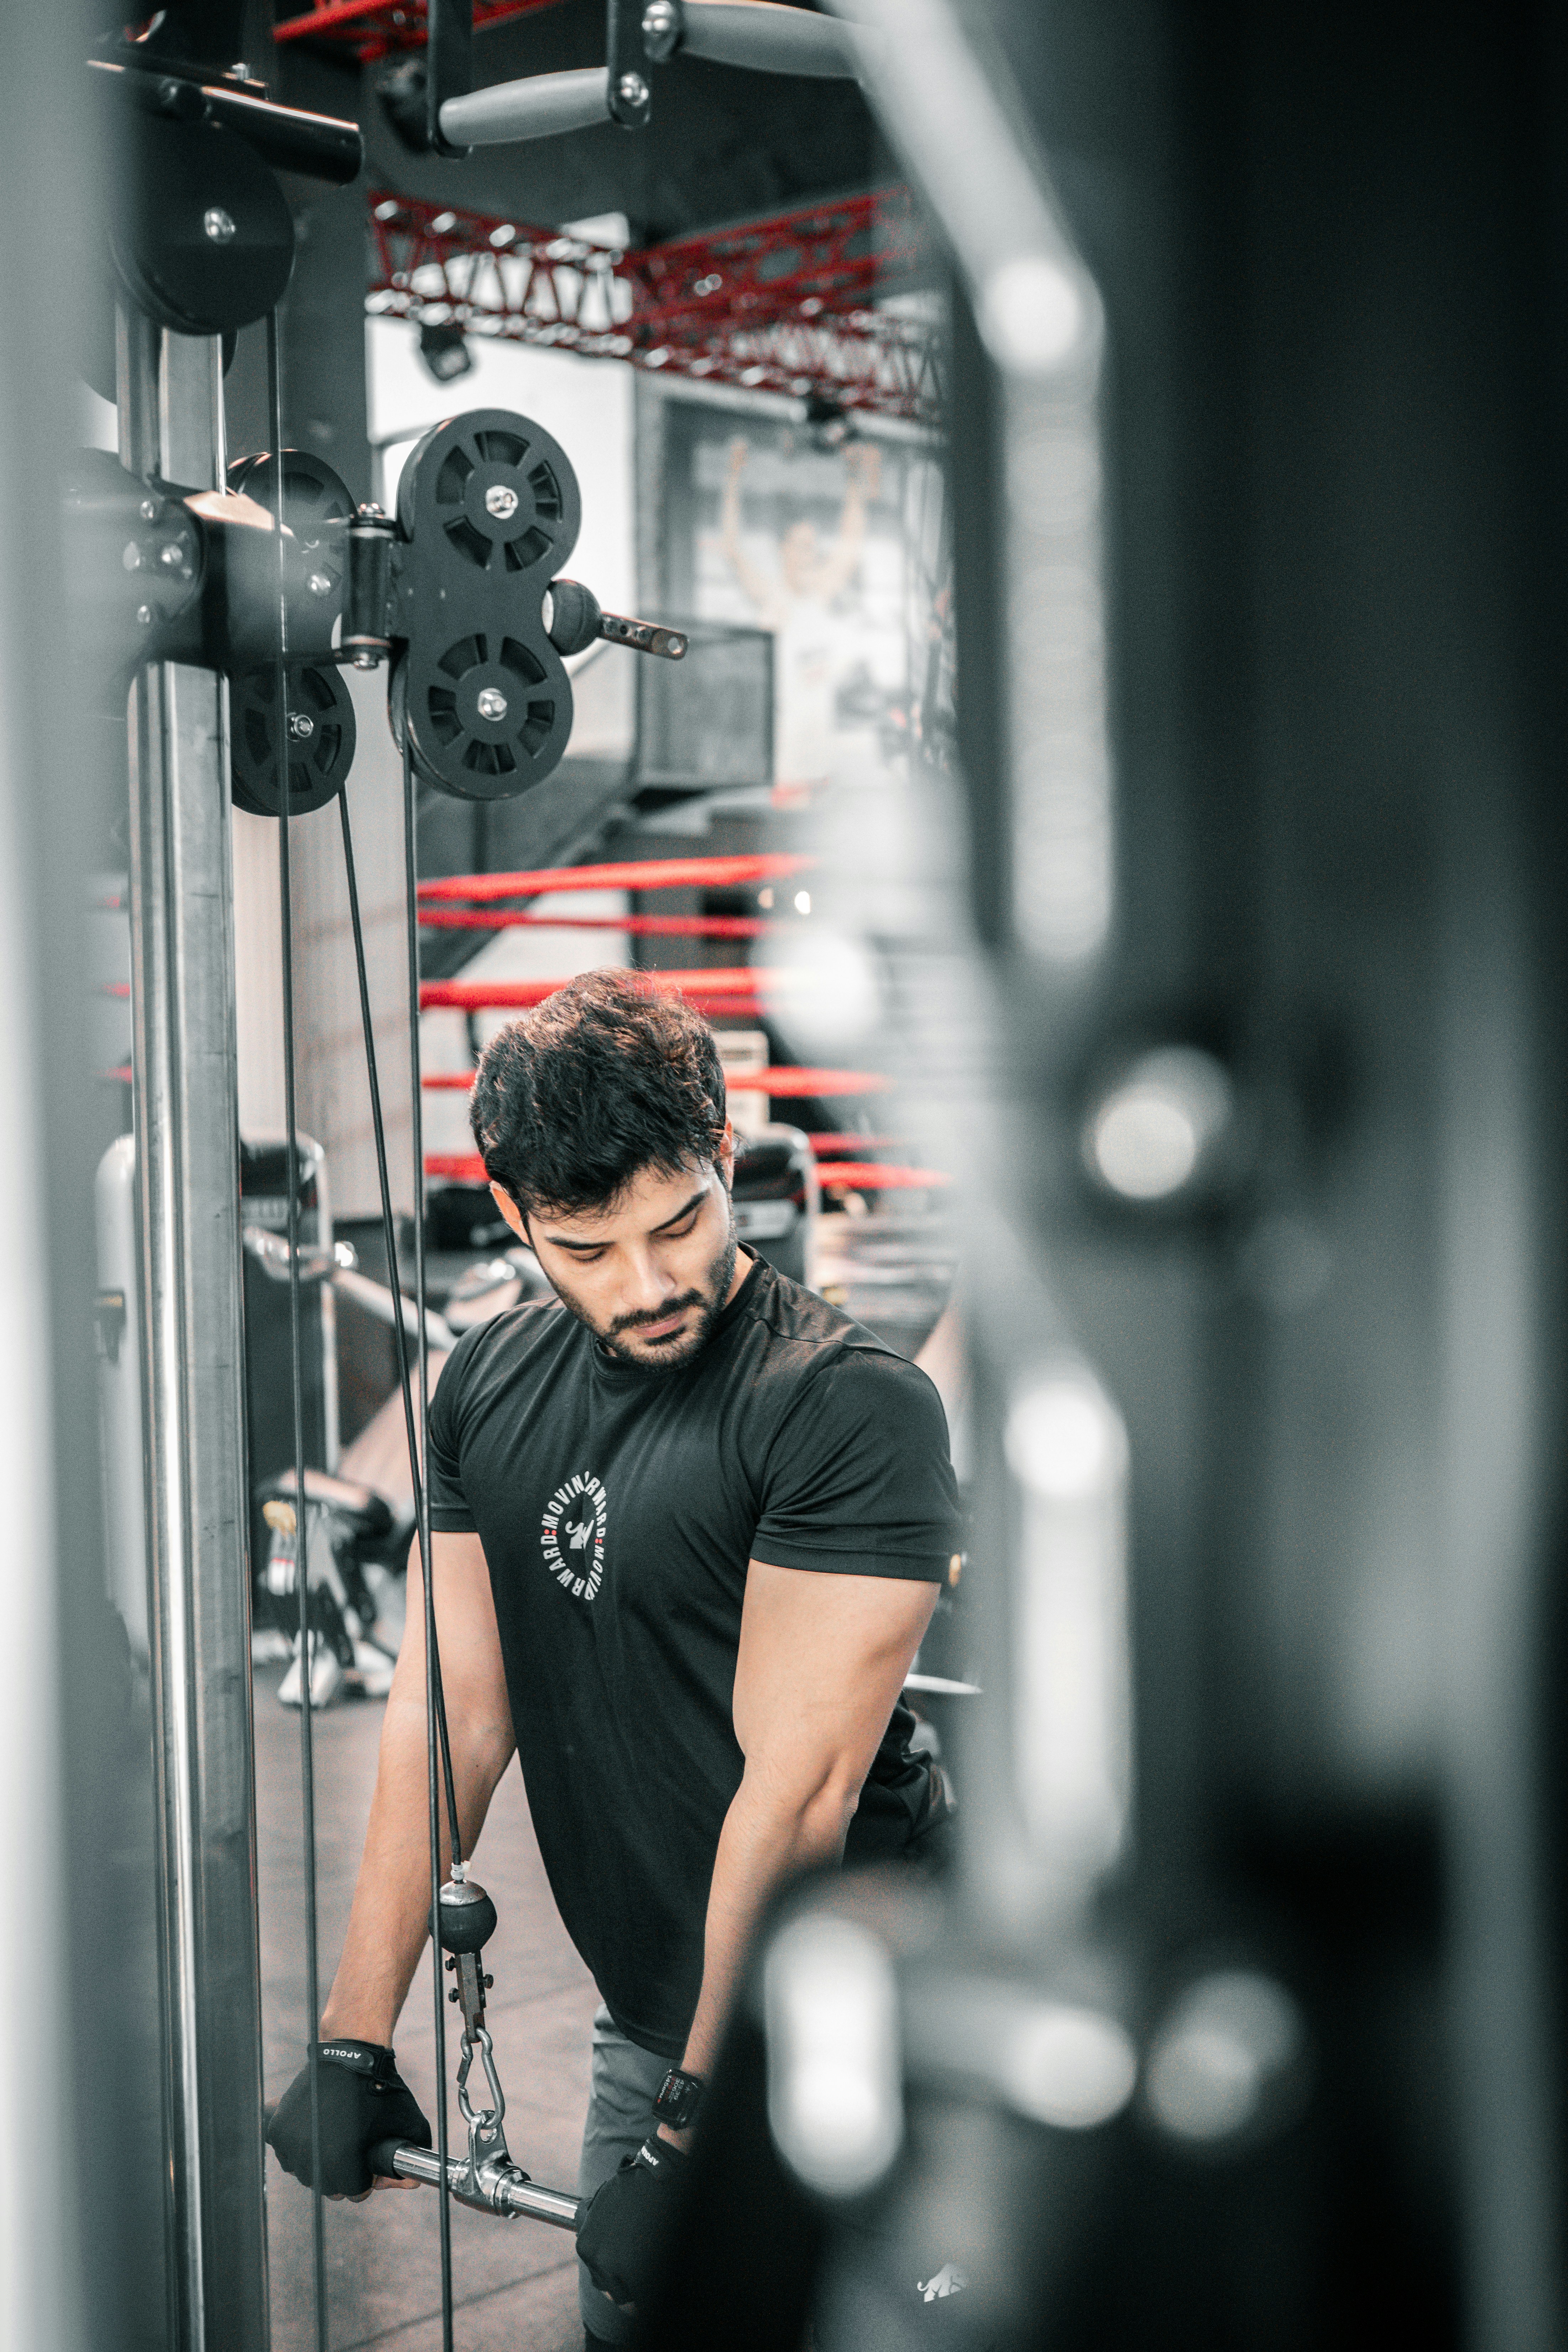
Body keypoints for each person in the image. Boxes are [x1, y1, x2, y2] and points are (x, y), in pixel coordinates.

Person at [267, 970, 960, 2348]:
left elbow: (798, 1792)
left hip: (869, 2023)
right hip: (649, 2020)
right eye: (589, 1248)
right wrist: (357, 2032)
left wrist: (696, 2132)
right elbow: (453, 1714)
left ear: (723, 1154)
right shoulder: (482, 1386)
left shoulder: (843, 1404)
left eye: (681, 1222)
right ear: (515, 1213)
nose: (649, 1284)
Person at [720, 434, 883, 791]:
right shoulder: (773, 597)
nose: (811, 553)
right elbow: (733, 549)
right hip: (783, 761)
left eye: (814, 546)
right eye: (803, 546)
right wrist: (734, 476)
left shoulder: (821, 593)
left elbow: (851, 543)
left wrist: (854, 477)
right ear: (784, 551)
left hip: (822, 758)